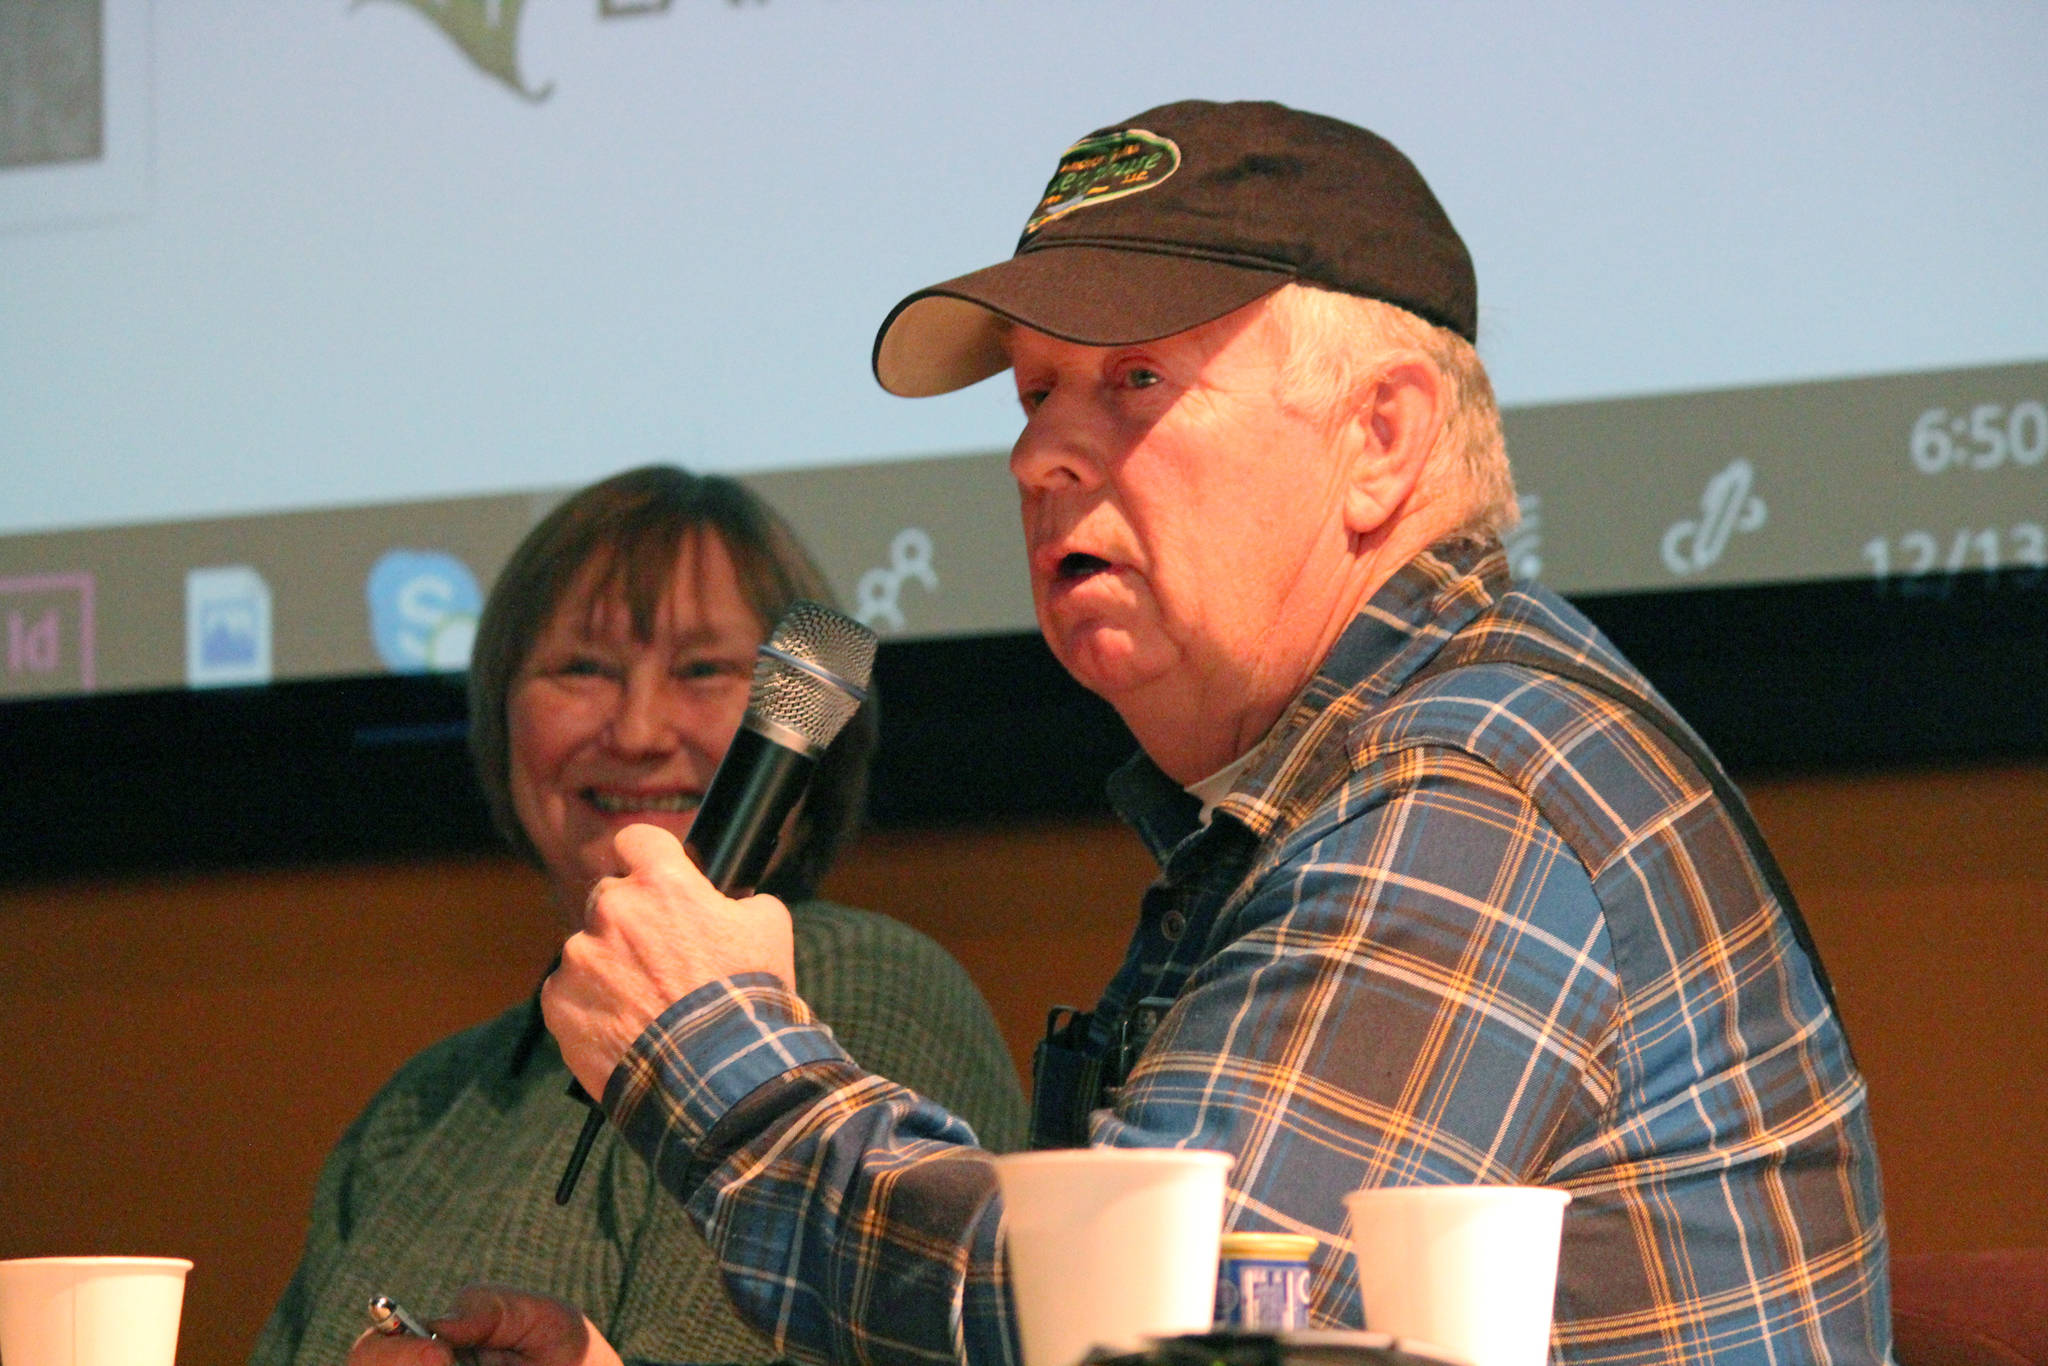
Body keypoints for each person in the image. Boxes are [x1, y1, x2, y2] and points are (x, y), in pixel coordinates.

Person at [366, 101, 1890, 1366]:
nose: (1038, 455)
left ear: (1383, 437)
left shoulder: (1470, 777)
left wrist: (715, 1055)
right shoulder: (1303, 793)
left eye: (1135, 381)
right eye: (1033, 396)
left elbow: (1152, 1333)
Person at [254, 465, 1027, 1366]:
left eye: (704, 670)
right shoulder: (424, 1103)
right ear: (501, 717)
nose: (638, 731)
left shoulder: (862, 986)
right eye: (582, 669)